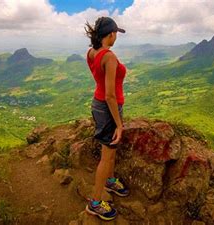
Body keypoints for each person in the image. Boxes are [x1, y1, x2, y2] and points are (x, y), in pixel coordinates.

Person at [84, 16, 129, 221]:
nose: (116, 36)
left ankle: (110, 181)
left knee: (110, 150)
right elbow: (110, 94)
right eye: (116, 33)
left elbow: (99, 80)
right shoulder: (109, 56)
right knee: (107, 155)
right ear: (111, 34)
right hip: (108, 107)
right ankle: (95, 203)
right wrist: (119, 124)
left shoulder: (91, 53)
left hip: (98, 105)